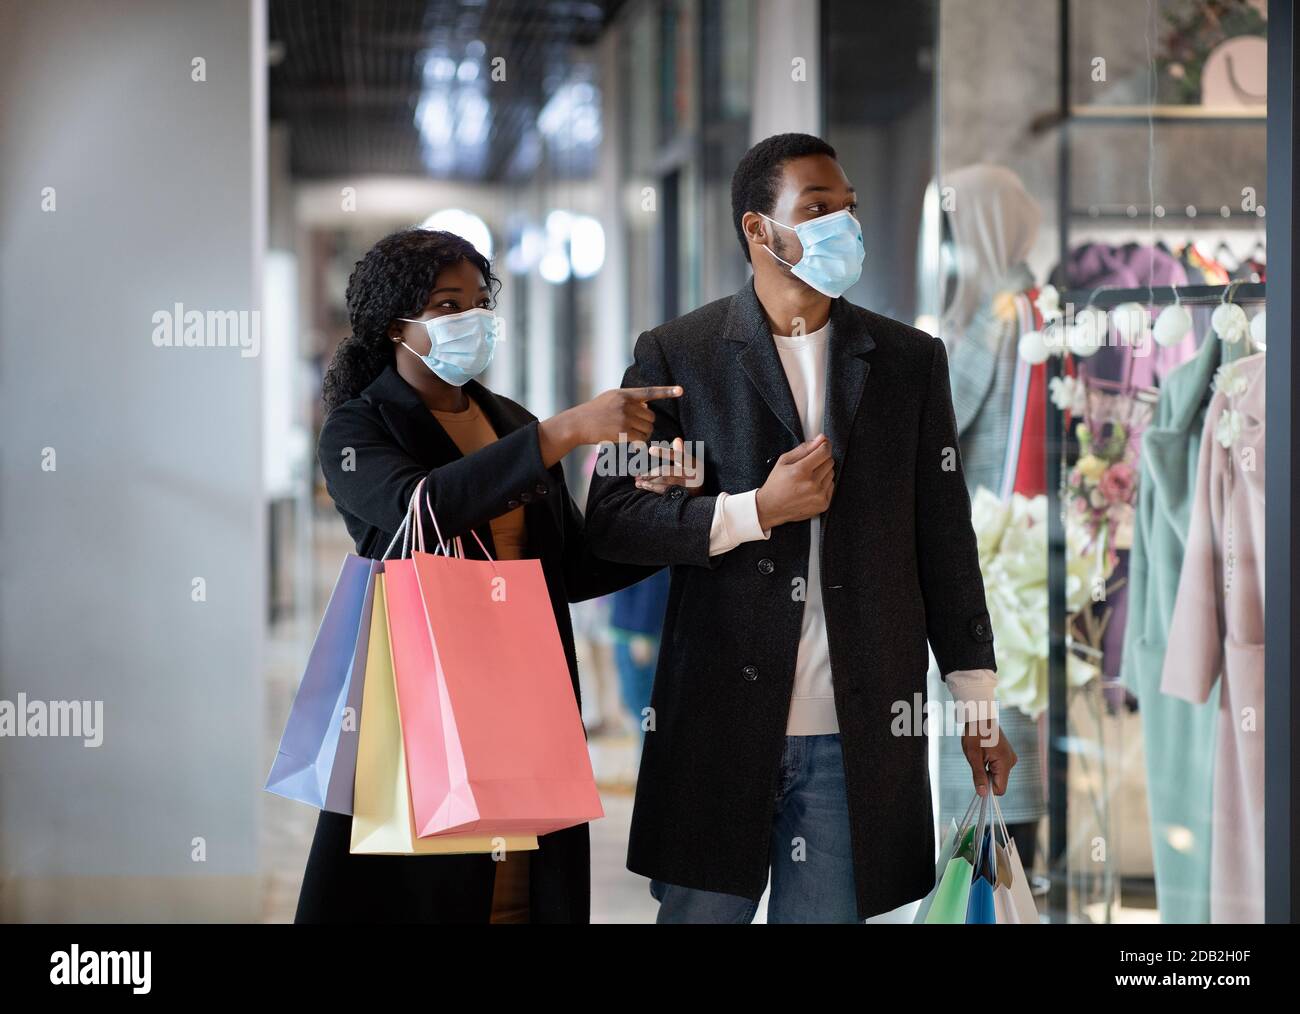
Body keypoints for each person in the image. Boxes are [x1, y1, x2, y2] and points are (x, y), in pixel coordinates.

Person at [584, 133, 1017, 923]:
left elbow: (945, 543)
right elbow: (615, 518)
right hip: (717, 728)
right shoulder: (678, 354)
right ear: (759, 229)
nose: (841, 226)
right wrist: (754, 511)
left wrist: (978, 706)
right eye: (817, 210)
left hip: (856, 737)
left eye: (848, 209)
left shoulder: (908, 360)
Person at [294, 227, 681, 924]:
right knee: (434, 894)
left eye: (479, 301)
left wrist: (664, 518)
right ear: (394, 327)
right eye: (446, 305)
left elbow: (569, 568)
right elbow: (424, 507)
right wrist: (563, 433)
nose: (470, 319)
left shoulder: (509, 422)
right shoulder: (357, 430)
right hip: (423, 697)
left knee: (523, 892)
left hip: (526, 689)